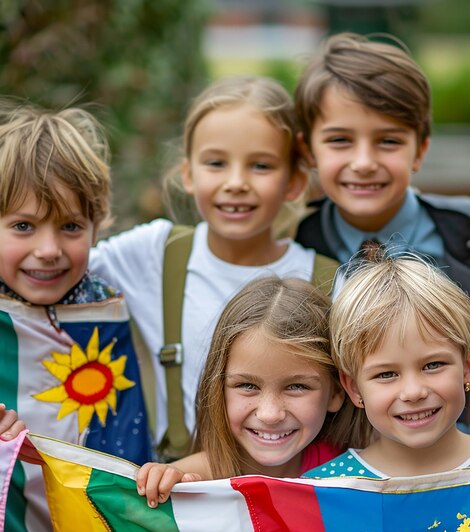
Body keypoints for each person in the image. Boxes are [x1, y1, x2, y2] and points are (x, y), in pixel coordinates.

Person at [293, 32, 470, 436]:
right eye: (340, 141)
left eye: (388, 141)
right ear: (309, 150)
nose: (364, 162)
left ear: (420, 149)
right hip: (350, 465)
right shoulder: (298, 247)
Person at [89, 76, 338, 459]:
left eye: (260, 165)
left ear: (294, 182)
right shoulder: (156, 253)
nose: (236, 183)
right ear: (188, 174)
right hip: (182, 489)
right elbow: (51, 269)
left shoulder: (327, 281)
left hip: (292, 494)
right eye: (216, 163)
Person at [0, 100, 151, 532]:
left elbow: (124, 435)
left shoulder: (107, 310)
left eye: (70, 226)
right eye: (22, 226)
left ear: (97, 224)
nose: (48, 249)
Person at [135, 276, 349, 507]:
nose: (270, 414)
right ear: (218, 388)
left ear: (336, 393)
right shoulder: (185, 482)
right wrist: (158, 483)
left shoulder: (355, 476)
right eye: (248, 386)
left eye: (297, 387)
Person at [304, 253, 470, 479]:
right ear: (353, 388)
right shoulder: (327, 491)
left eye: (432, 365)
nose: (413, 392)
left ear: (468, 366)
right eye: (387, 374)